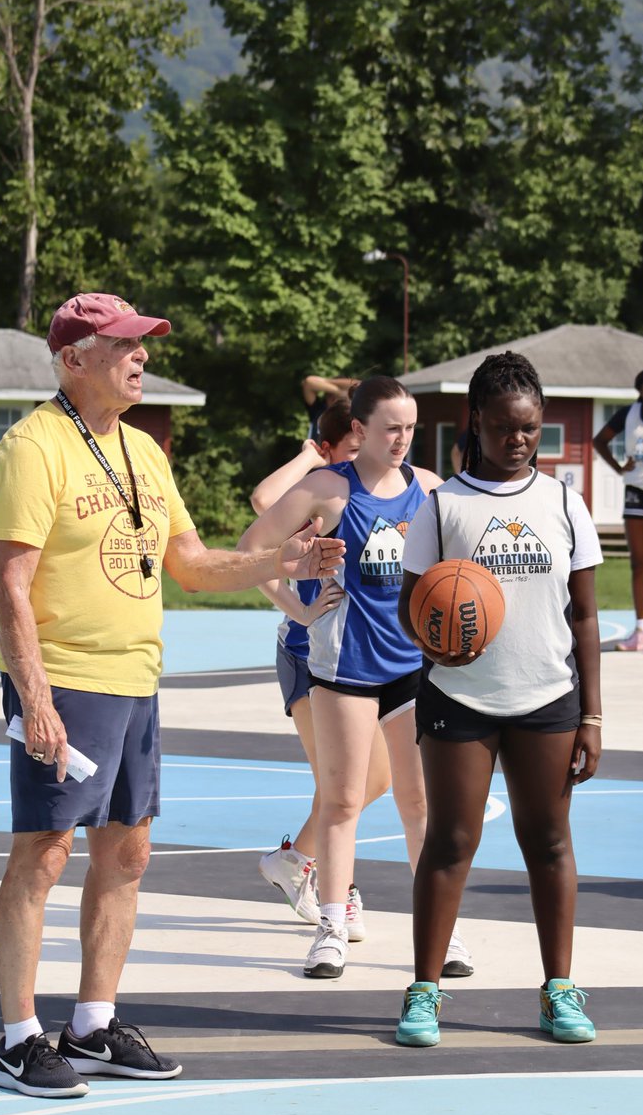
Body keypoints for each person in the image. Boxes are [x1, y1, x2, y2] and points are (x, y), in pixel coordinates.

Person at [0, 291, 345, 1099]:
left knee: (129, 852)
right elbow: (9, 584)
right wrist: (34, 696)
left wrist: (280, 562)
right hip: (64, 677)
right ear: (74, 359)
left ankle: (92, 1026)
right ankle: (17, 1039)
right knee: (44, 853)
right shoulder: (33, 447)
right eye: (122, 344)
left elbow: (189, 563)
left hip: (136, 678)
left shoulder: (144, 451)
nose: (141, 355)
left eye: (141, 342)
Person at [395, 351, 603, 1048]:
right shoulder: (443, 506)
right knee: (451, 842)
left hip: (548, 697)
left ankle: (559, 989)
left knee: (549, 842)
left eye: (531, 429)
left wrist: (592, 714)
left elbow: (585, 617)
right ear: (476, 420)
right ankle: (424, 992)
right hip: (460, 699)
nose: (519, 440)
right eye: (505, 427)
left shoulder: (564, 502)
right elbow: (410, 606)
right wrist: (433, 642)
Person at [239, 375, 473, 981]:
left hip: (413, 668)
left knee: (418, 801)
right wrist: (298, 609)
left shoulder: (429, 489)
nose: (402, 439)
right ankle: (331, 928)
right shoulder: (327, 489)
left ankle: (442, 929)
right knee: (343, 801)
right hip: (344, 668)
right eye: (391, 428)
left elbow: (461, 564)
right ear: (360, 430)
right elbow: (251, 548)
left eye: (411, 428)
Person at [253, 401, 391, 944]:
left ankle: (296, 860)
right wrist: (311, 454)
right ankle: (339, 886)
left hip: (355, 656)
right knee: (342, 785)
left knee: (371, 779)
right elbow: (261, 502)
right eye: (353, 449)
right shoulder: (320, 491)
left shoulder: (378, 490)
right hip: (306, 653)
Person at [593, 367, 643, 653]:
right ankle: (641, 631)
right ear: (641, 391)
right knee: (639, 563)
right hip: (636, 492)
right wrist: (618, 467)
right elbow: (599, 440)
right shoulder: (628, 415)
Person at [301, 374, 356, 440]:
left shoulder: (350, 416)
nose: (334, 399)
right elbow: (308, 382)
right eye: (330, 393)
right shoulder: (318, 409)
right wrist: (338, 392)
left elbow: (361, 385)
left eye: (340, 398)